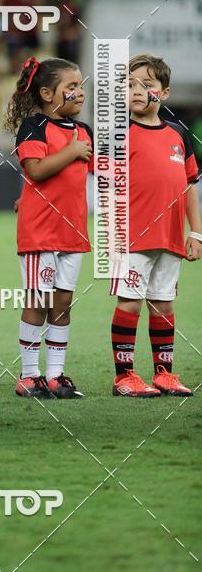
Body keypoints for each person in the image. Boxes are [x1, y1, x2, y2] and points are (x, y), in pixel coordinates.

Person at [110, 54, 201, 397]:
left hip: (171, 237)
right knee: (130, 303)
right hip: (131, 237)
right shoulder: (119, 134)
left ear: (164, 93)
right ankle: (124, 377)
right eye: (130, 85)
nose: (136, 91)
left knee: (163, 303)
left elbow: (190, 187)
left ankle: (164, 373)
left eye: (146, 85)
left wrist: (196, 232)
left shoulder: (179, 134)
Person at [5, 57, 93, 400]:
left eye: (80, 86)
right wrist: (72, 152)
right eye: (71, 87)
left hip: (73, 232)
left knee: (63, 303)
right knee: (38, 301)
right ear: (46, 94)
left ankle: (55, 376)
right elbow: (37, 170)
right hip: (40, 232)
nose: (79, 92)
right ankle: (29, 375)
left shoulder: (84, 131)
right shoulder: (34, 126)